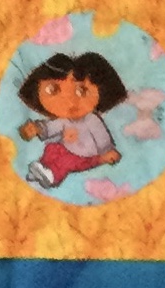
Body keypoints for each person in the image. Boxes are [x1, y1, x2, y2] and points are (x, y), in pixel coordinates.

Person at [15, 51, 129, 192]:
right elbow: (51, 127)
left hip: (85, 155)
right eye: (53, 89)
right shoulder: (64, 120)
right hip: (66, 147)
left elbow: (101, 136)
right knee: (52, 148)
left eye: (82, 91)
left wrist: (106, 152)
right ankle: (41, 168)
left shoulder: (93, 120)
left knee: (67, 162)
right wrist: (38, 128)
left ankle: (52, 176)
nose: (70, 101)